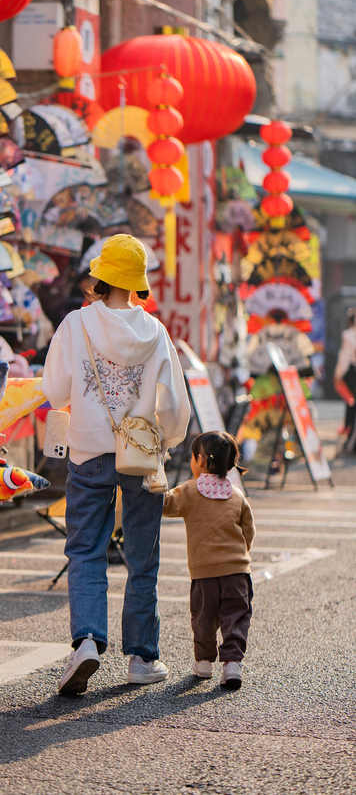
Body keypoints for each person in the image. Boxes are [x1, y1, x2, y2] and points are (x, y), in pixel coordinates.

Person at [41, 234, 191, 696]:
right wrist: (164, 439)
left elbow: (56, 391)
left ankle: (86, 639)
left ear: (100, 278)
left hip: (88, 451)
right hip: (140, 456)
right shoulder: (154, 331)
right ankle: (143, 657)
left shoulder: (75, 323)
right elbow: (175, 406)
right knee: (141, 555)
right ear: (137, 283)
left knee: (85, 549)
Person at [163, 431, 255, 689]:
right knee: (236, 618)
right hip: (237, 571)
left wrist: (154, 482)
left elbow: (166, 503)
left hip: (203, 573)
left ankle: (204, 663)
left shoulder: (190, 490)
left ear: (201, 460)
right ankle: (232, 664)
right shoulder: (236, 494)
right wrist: (241, 554)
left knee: (203, 618)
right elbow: (249, 530)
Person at [334, 309, 356, 445]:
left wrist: (337, 376)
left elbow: (344, 358)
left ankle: (350, 438)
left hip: (352, 373)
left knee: (351, 404)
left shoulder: (348, 335)